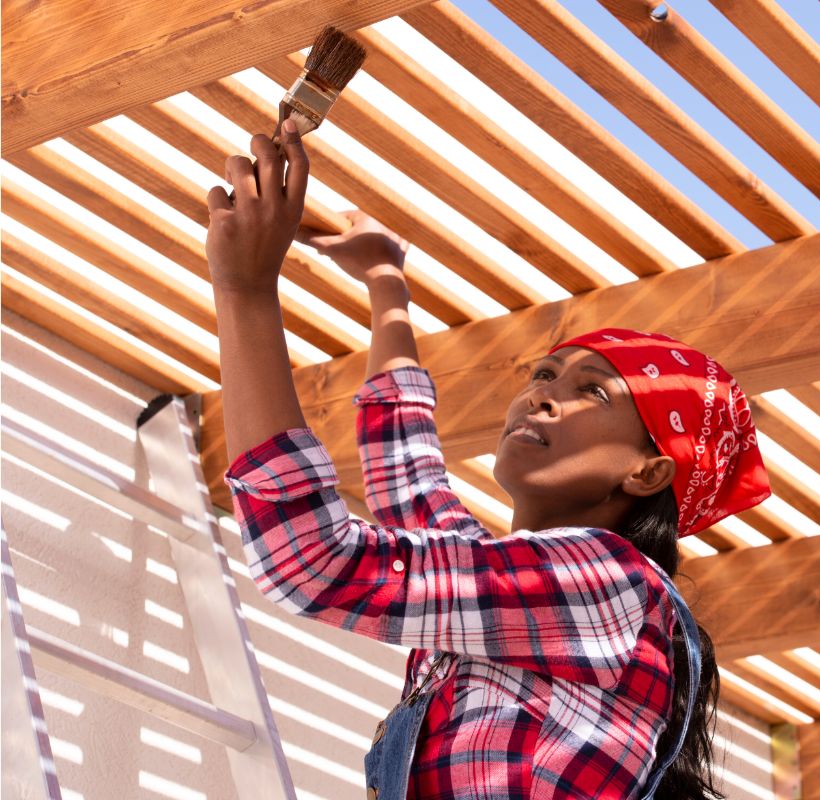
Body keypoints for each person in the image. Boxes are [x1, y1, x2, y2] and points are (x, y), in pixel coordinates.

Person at [207, 122, 771, 799]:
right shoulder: (520, 592)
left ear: (647, 472)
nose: (542, 398)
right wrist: (387, 279)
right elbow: (405, 471)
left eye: (592, 391)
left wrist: (244, 292)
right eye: (543, 374)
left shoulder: (609, 580)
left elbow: (316, 561)